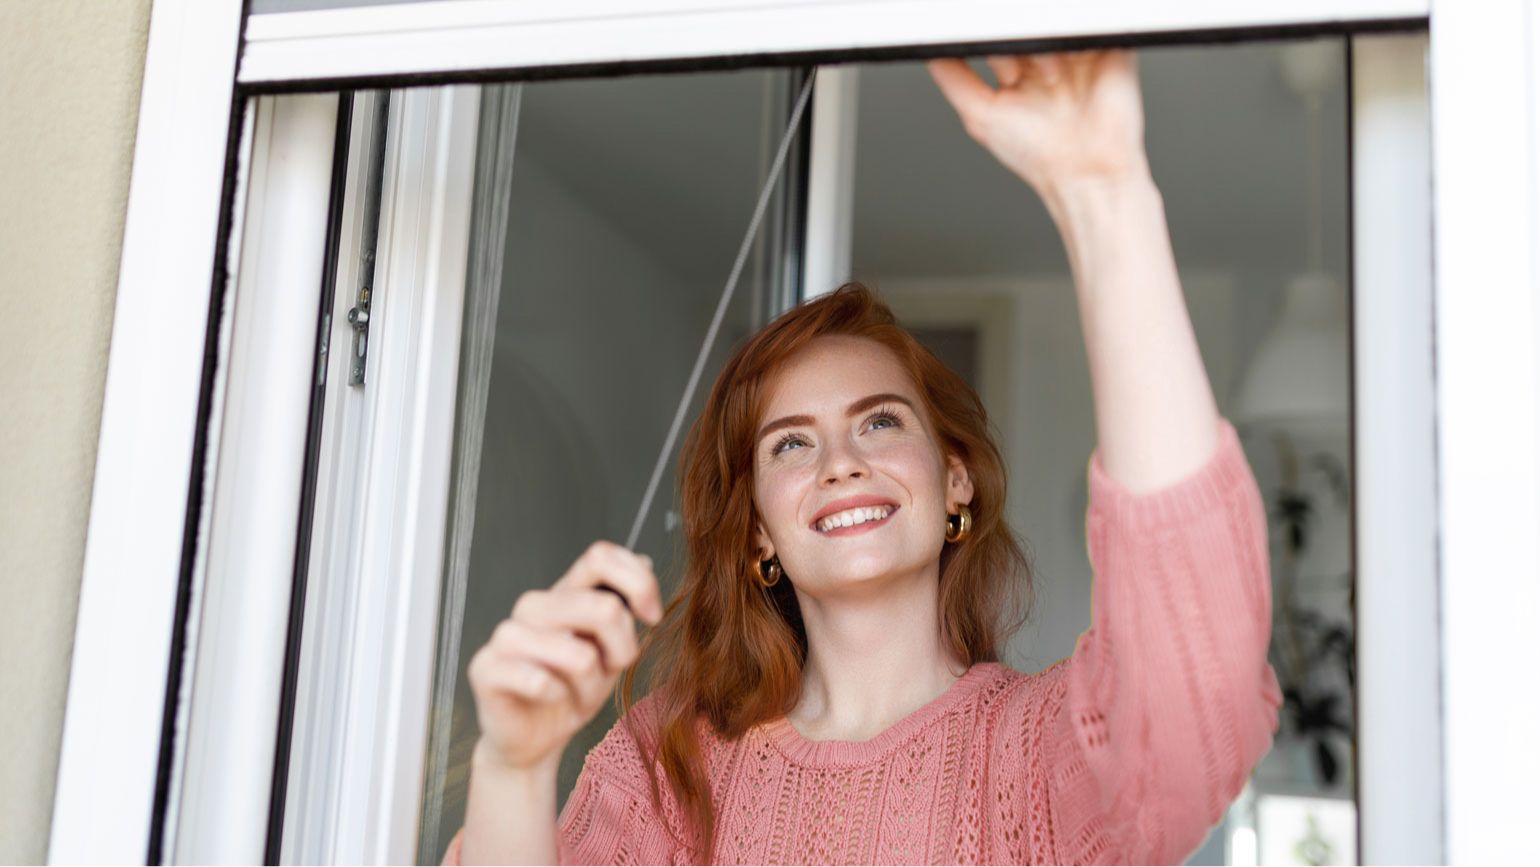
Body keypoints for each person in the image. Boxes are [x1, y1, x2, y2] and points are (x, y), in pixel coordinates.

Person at [445, 48, 1282, 865]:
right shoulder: (670, 767)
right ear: (760, 532)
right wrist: (511, 768)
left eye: (880, 423)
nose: (840, 460)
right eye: (792, 443)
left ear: (954, 478)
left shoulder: (1041, 755)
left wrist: (1105, 195)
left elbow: (1196, 682)